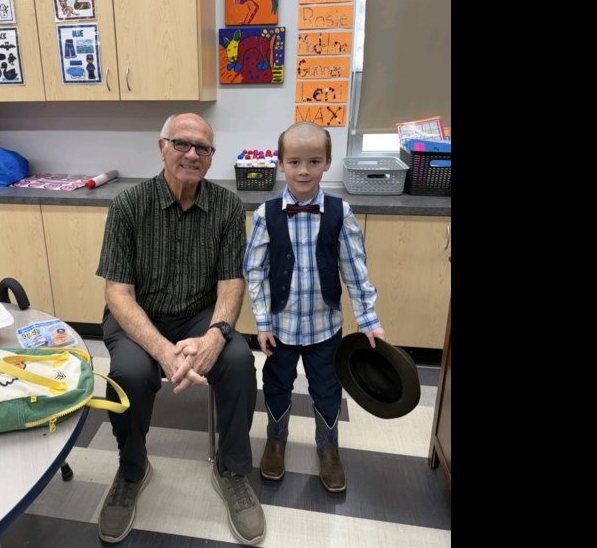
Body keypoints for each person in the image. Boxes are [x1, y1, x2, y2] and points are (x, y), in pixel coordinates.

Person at [95, 113, 265, 545]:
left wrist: (215, 336)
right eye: (182, 144)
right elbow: (118, 293)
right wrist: (163, 351)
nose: (192, 154)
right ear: (162, 147)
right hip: (138, 314)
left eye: (202, 148)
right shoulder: (128, 205)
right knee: (130, 375)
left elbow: (231, 284)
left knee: (240, 362)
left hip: (198, 315)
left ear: (211, 158)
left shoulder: (226, 207)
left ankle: (232, 470)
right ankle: (132, 470)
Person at [243, 121, 386, 493]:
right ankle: (276, 440)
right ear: (279, 164)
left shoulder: (342, 213)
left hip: (326, 327)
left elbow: (355, 270)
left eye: (313, 161)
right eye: (294, 162)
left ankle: (328, 448)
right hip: (280, 327)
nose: (303, 170)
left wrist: (368, 320)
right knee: (276, 384)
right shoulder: (265, 214)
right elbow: (254, 271)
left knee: (327, 387)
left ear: (327, 163)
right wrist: (261, 322)